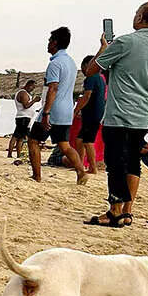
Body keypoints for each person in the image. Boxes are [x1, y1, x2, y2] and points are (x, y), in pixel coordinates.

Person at [83, 0, 148, 227]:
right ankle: (128, 211)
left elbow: (91, 70)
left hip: (120, 112)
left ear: (142, 16)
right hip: (142, 112)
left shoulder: (125, 42)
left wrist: (104, 47)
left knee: (115, 162)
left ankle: (114, 211)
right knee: (133, 160)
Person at [28, 27, 89, 184]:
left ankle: (37, 175)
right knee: (65, 145)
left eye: (49, 41)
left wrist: (46, 113)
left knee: (33, 140)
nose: (48, 44)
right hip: (67, 109)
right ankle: (81, 171)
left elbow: (53, 88)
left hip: (54, 109)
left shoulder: (55, 64)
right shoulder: (70, 62)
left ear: (54, 43)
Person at [72, 56, 106, 174]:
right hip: (93, 113)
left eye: (83, 66)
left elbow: (86, 96)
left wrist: (76, 110)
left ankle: (93, 167)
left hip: (92, 114)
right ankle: (80, 164)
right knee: (79, 140)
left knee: (88, 141)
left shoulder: (91, 77)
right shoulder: (100, 78)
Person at [7, 80, 38, 158]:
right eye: (32, 87)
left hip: (24, 117)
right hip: (23, 117)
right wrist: (34, 100)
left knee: (19, 137)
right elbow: (26, 106)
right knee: (17, 137)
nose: (33, 89)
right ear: (28, 85)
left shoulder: (23, 93)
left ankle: (17, 154)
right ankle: (11, 154)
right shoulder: (23, 93)